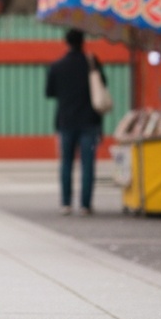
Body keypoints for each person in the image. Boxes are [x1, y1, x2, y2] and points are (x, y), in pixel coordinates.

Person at [45, 28, 101, 216]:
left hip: (65, 120)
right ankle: (86, 204)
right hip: (89, 120)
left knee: (66, 163)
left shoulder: (57, 66)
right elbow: (102, 87)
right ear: (83, 42)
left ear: (66, 42)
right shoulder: (92, 64)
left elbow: (49, 92)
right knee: (88, 164)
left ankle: (66, 203)